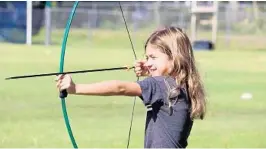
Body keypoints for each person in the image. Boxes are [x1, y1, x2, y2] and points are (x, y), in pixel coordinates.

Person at [55, 26, 206, 148]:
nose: (147, 63)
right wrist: (151, 71)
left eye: (153, 58)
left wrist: (76, 88)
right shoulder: (181, 85)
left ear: (175, 58)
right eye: (147, 58)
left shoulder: (160, 85)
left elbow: (120, 87)